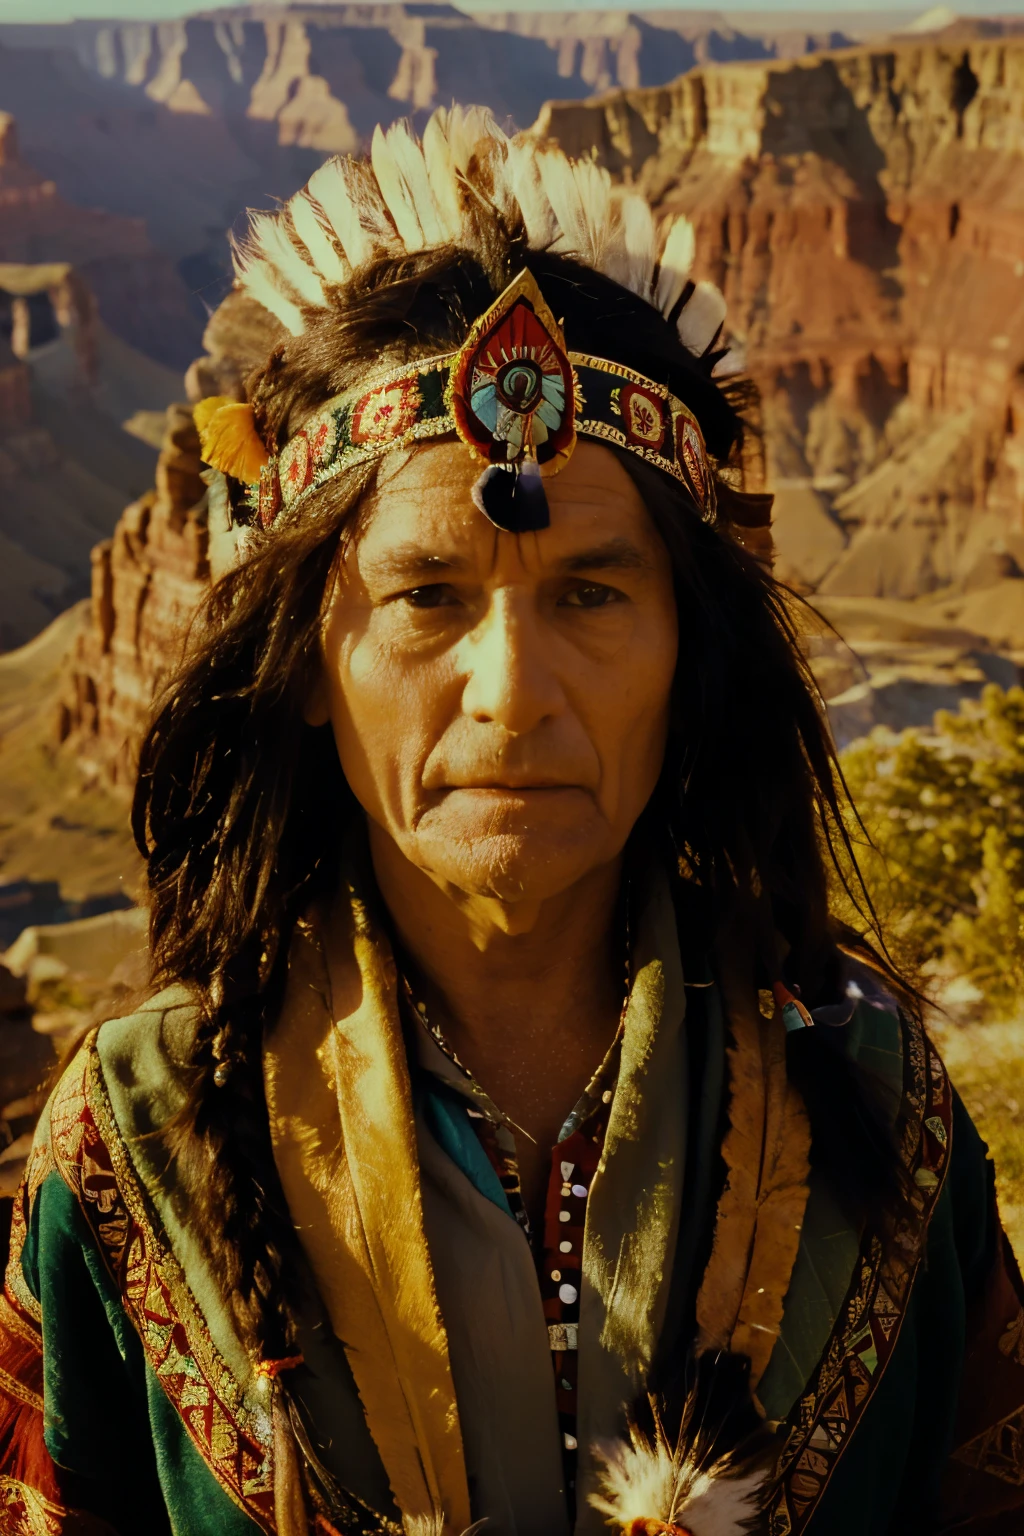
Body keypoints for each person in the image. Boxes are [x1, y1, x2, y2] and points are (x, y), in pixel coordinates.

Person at [0, 108, 1021, 1536]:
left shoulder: (877, 1115)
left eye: (593, 594)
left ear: (690, 655)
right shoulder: (138, 1148)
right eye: (427, 598)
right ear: (304, 662)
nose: (514, 692)